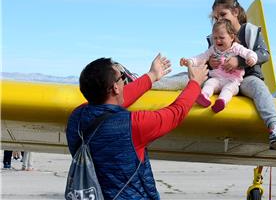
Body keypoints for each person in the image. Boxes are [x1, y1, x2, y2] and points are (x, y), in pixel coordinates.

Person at [66, 54, 208, 199]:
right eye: (121, 77)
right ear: (115, 87)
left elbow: (110, 102)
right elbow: (176, 113)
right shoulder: (133, 125)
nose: (123, 80)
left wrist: (152, 76)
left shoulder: (76, 117)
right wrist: (195, 83)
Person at [208, 0, 276, 150]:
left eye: (223, 15)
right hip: (221, 79)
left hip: (246, 79)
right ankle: (154, 83)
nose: (219, 20)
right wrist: (210, 63)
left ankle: (275, 128)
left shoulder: (250, 31)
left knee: (259, 88)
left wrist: (240, 61)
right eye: (216, 17)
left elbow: (264, 54)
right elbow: (207, 61)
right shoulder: (216, 36)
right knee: (192, 79)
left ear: (236, 12)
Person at [180, 19, 257, 113]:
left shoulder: (237, 48)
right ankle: (204, 96)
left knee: (228, 89)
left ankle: (221, 101)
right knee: (210, 83)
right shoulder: (213, 49)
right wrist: (189, 61)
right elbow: (202, 57)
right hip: (217, 78)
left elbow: (249, 53)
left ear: (232, 37)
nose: (218, 40)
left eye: (221, 37)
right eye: (215, 38)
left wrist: (251, 58)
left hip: (233, 81)